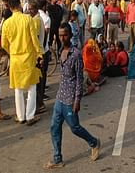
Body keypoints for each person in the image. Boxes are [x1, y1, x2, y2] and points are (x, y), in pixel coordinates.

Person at [44, 22, 100, 169]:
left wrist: (77, 100)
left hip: (70, 99)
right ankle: (57, 159)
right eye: (60, 35)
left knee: (74, 127)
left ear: (70, 35)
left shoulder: (75, 54)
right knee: (54, 127)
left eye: (65, 35)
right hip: (60, 96)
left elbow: (79, 79)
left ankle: (93, 142)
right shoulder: (61, 49)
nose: (63, 38)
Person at [1, 0, 43, 126]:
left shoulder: (7, 23)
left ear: (10, 7)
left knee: (18, 89)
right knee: (32, 87)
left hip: (15, 59)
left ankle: (20, 116)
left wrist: (12, 52)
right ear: (19, 5)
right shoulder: (28, 19)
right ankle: (30, 116)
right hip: (29, 57)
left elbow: (4, 44)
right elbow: (34, 39)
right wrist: (39, 54)